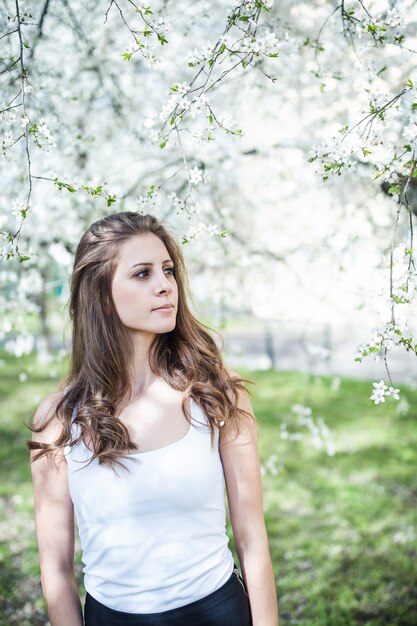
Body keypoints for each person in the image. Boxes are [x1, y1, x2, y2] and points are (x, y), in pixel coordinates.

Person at [27, 211, 279, 626]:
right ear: (102, 296)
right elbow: (55, 571)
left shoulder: (218, 394)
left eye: (167, 270)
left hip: (217, 613)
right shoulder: (58, 421)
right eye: (142, 274)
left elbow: (252, 539)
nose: (165, 285)